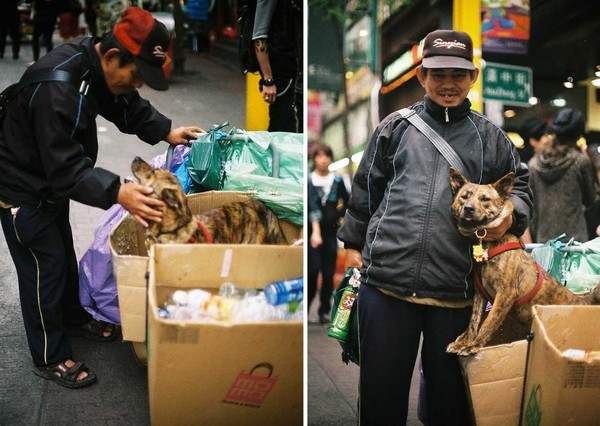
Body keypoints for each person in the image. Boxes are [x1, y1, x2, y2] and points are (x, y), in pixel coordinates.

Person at [0, 7, 203, 389]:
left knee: (60, 249)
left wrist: (167, 131)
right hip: (22, 189)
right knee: (44, 269)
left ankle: (74, 317)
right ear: (112, 56)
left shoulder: (96, 70)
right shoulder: (59, 86)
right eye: (137, 75)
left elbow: (124, 104)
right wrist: (118, 191)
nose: (138, 84)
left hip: (49, 185)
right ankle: (50, 356)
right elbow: (64, 167)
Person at [337, 29, 533, 424]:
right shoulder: (395, 127)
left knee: (450, 407)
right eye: (437, 73)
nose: (448, 84)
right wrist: (352, 245)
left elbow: (522, 188)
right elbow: (367, 190)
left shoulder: (492, 138)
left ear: (473, 78)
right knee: (380, 399)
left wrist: (511, 213)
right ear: (422, 76)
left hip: (456, 293)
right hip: (386, 284)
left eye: (457, 75)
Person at [528, 107, 596, 243]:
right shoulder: (580, 161)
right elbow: (589, 199)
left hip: (543, 240)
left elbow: (531, 206)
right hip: (574, 241)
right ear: (578, 133)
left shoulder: (534, 163)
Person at [307, 144, 349, 324]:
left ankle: (324, 310)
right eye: (319, 156)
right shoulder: (309, 180)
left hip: (331, 232)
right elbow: (309, 206)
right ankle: (307, 307)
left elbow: (347, 202)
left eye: (326, 156)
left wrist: (336, 216)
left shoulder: (337, 181)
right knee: (312, 269)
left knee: (329, 271)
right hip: (313, 232)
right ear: (314, 158)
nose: (323, 160)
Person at [252, 0, 302, 133]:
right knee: (283, 127)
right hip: (280, 73)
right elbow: (259, 36)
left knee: (284, 125)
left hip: (291, 68)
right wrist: (268, 80)